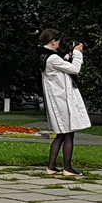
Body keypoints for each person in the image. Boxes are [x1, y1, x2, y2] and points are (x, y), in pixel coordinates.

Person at [38, 28, 90, 177]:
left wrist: (69, 55)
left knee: (61, 134)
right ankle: (67, 168)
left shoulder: (45, 56)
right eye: (58, 41)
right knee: (68, 134)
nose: (59, 44)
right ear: (52, 41)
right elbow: (74, 69)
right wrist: (78, 54)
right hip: (61, 99)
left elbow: (62, 65)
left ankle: (52, 166)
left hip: (56, 98)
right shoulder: (52, 58)